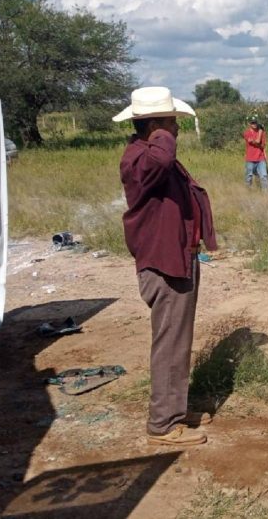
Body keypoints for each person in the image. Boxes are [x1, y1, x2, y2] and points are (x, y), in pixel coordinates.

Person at [113, 86, 218, 447]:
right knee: (170, 341)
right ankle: (163, 423)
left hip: (176, 257)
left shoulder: (147, 153)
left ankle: (174, 409)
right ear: (154, 125)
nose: (177, 129)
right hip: (164, 262)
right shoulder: (141, 158)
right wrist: (161, 131)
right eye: (172, 122)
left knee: (177, 339)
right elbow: (160, 162)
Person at [243, 117, 268, 188]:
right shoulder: (247, 133)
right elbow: (256, 142)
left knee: (264, 176)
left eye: (255, 122)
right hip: (250, 159)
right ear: (249, 124)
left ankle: (266, 193)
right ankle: (248, 192)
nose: (254, 124)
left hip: (260, 158)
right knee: (249, 177)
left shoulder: (262, 132)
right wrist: (258, 136)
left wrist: (256, 140)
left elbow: (262, 145)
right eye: (252, 123)